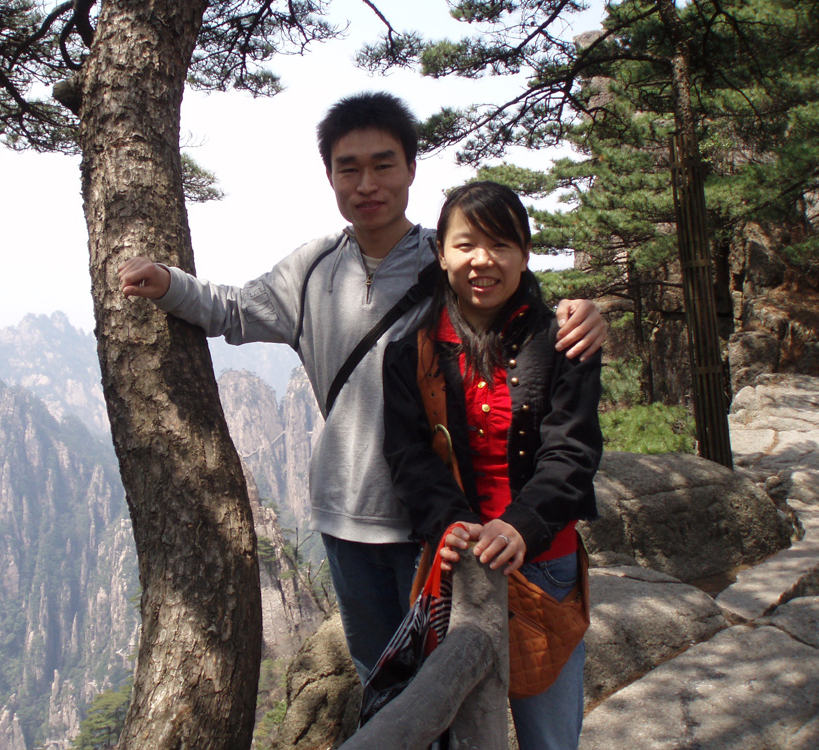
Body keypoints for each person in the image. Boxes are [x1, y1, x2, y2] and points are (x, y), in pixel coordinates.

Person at [117, 92, 606, 681]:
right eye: (350, 168)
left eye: (383, 165)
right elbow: (234, 309)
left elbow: (518, 301)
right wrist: (168, 283)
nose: (367, 184)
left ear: (411, 169)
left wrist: (584, 310)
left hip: (438, 520)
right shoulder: (312, 268)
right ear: (330, 176)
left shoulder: (450, 256)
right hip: (346, 516)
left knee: (445, 685)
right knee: (377, 677)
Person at [381, 180, 603, 749]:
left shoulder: (564, 338)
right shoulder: (413, 346)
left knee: (549, 740)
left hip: (543, 569)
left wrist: (521, 526)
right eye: (466, 244)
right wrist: (449, 523)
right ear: (441, 253)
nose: (483, 260)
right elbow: (408, 457)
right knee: (455, 734)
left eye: (501, 244)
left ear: (525, 253)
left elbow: (572, 450)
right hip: (457, 566)